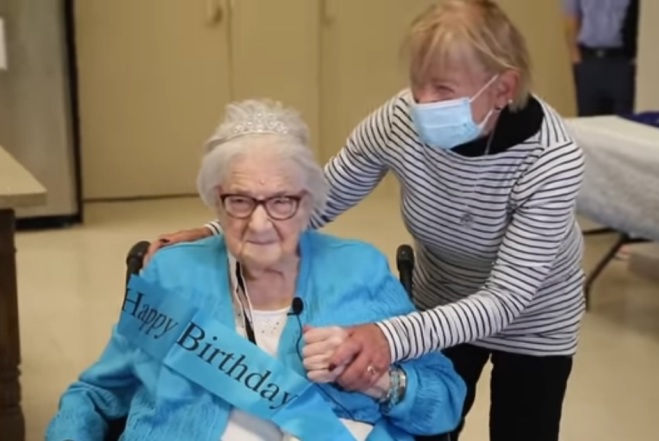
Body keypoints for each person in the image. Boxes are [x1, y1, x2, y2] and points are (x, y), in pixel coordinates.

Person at [145, 1, 586, 440]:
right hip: (440, 295)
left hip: (533, 316)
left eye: (443, 90)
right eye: (417, 86)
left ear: (503, 87)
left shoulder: (552, 160)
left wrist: (387, 336)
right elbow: (318, 198)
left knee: (523, 429)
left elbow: (505, 301)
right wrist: (223, 228)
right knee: (433, 422)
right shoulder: (400, 120)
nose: (422, 104)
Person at [45, 99, 466, 441]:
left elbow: (444, 401)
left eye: (282, 201)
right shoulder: (172, 275)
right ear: (217, 200)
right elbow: (97, 394)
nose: (260, 225)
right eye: (241, 201)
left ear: (308, 202)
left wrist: (375, 380)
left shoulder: (359, 269)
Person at [563, 0, 639, 116]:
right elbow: (571, 19)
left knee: (624, 122)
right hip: (589, 61)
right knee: (589, 122)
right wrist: (576, 59)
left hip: (622, 61)